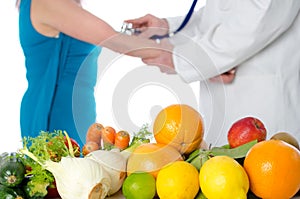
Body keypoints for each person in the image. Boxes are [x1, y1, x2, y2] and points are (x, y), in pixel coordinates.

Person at [126, 0, 300, 145]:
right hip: (224, 98)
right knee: (221, 175)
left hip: (263, 98)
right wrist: (169, 27)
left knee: (270, 174)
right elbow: (222, 11)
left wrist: (185, 58)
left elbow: (264, 13)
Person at [17, 0, 165, 147]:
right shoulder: (49, 2)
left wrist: (161, 33)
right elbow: (114, 41)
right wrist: (173, 52)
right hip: (56, 111)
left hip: (77, 110)